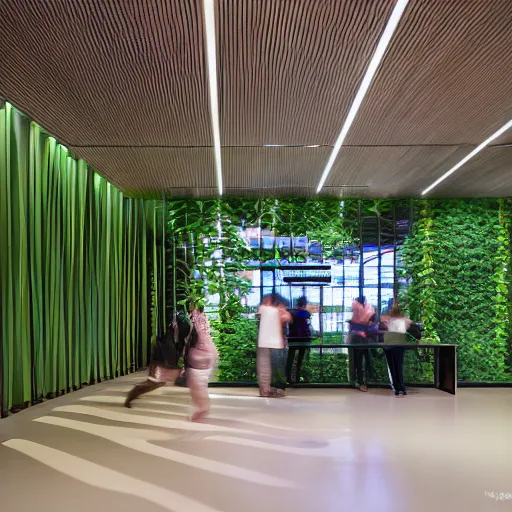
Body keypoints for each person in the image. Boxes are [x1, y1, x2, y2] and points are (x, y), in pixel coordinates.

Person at [124, 311, 191, 408]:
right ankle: (133, 394)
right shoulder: (175, 331)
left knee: (157, 382)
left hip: (164, 359)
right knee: (154, 382)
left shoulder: (176, 330)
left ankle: (134, 393)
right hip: (163, 359)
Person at [186, 306, 218, 421]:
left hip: (198, 357)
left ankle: (202, 407)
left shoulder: (192, 323)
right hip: (210, 355)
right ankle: (202, 407)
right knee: (201, 384)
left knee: (196, 385)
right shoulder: (204, 322)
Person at [257, 294, 292, 398]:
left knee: (265, 368)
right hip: (275, 343)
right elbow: (287, 318)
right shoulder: (272, 310)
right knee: (276, 368)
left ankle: (266, 389)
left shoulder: (264, 309)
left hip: (265, 342)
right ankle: (276, 389)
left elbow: (286, 318)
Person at [381, 302, 413, 397]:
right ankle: (401, 387)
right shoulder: (404, 320)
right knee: (399, 365)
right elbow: (411, 324)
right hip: (399, 344)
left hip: (389, 344)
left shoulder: (389, 320)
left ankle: (396, 387)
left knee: (392, 366)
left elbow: (388, 330)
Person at [348, 296, 375, 392]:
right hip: (360, 339)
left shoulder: (359, 311)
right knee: (360, 361)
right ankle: (361, 382)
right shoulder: (367, 310)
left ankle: (358, 381)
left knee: (358, 360)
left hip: (357, 338)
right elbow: (368, 323)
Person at [286, 296, 311, 385]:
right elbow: (307, 315)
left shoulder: (291, 312)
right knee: (299, 360)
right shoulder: (304, 313)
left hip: (293, 338)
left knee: (290, 359)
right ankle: (296, 378)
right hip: (303, 339)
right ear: (304, 305)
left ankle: (288, 378)